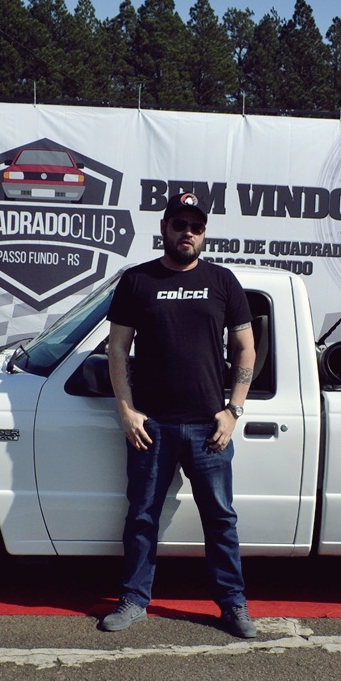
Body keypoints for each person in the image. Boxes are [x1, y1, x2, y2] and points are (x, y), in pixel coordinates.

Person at [98, 191, 258, 639]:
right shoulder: (137, 281)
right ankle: (134, 600)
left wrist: (233, 410)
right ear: (164, 229)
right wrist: (127, 411)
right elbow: (117, 349)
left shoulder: (223, 281)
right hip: (151, 426)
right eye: (180, 224)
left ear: (204, 233)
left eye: (196, 227)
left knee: (221, 519)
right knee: (142, 516)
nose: (188, 233)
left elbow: (245, 348)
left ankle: (233, 604)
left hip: (210, 427)